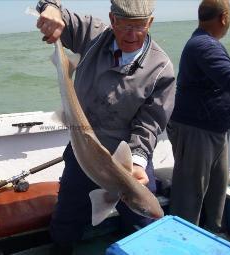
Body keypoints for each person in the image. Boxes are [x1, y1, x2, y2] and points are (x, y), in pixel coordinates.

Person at [36, 0, 176, 253]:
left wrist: (137, 160)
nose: (132, 35)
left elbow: (150, 122)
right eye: (124, 26)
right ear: (112, 20)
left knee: (143, 221)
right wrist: (49, 8)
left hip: (127, 155)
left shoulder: (161, 68)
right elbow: (58, 14)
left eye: (140, 26)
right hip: (82, 147)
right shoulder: (93, 35)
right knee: (67, 216)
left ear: (150, 22)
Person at [167, 0, 230, 234]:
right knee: (190, 194)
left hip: (215, 132)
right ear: (224, 18)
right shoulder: (204, 46)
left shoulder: (207, 44)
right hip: (196, 131)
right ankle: (183, 239)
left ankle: (215, 233)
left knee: (217, 189)